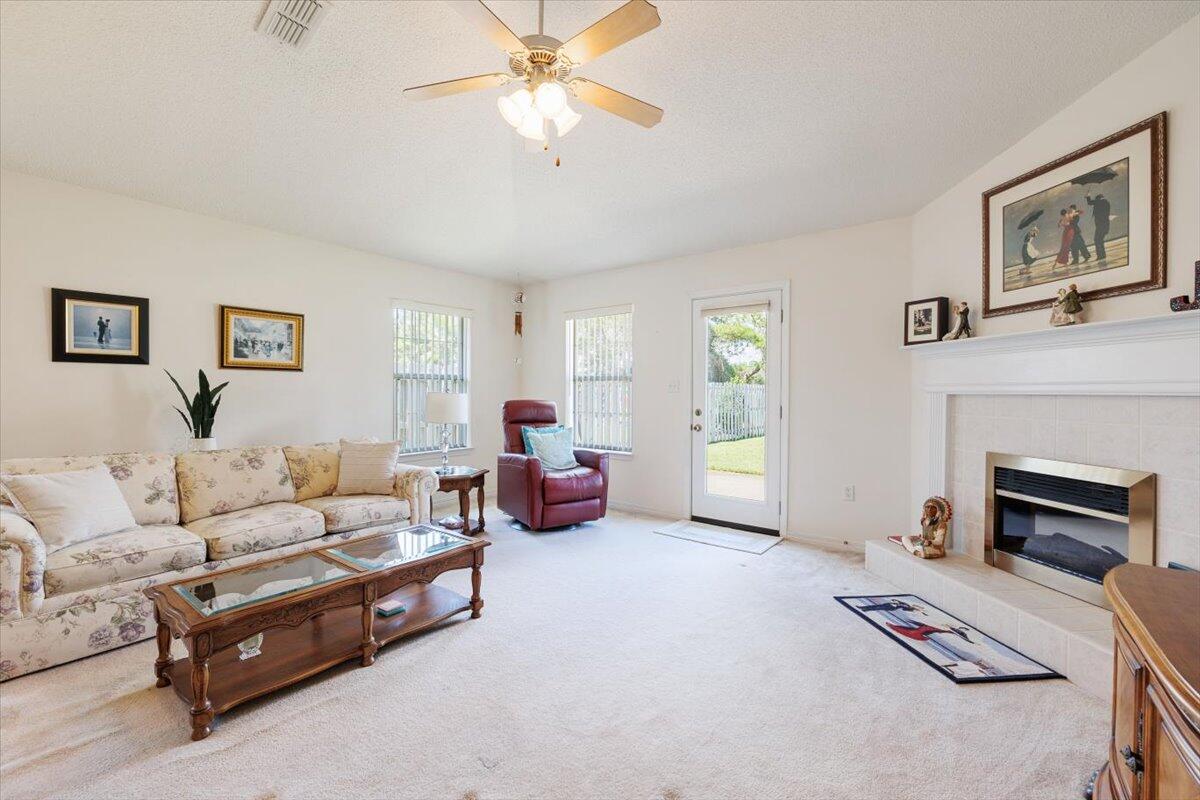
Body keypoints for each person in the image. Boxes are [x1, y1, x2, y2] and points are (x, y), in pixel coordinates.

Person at [1086, 192, 1111, 260]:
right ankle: (1103, 255)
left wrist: (1088, 196)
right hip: (1106, 225)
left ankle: (1100, 256)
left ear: (1098, 199)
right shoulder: (1106, 203)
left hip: (1100, 226)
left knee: (1097, 240)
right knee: (1100, 240)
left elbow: (1090, 202)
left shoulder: (1099, 202)